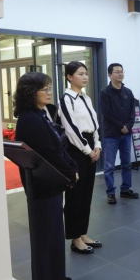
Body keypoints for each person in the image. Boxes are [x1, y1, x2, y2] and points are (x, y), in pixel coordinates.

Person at [13, 72, 77, 280]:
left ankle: (55, 277)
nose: (50, 92)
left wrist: (70, 166)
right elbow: (48, 152)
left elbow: (57, 145)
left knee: (54, 236)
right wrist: (70, 173)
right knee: (47, 238)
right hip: (42, 185)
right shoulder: (30, 119)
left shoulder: (40, 113)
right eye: (45, 89)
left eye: (50, 88)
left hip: (49, 183)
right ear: (31, 92)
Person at [60, 61, 102, 254]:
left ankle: (83, 233)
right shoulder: (66, 99)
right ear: (69, 77)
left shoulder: (86, 98)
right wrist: (88, 150)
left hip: (90, 145)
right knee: (75, 195)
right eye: (80, 74)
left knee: (86, 193)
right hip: (76, 149)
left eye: (86, 73)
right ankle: (75, 238)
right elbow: (71, 129)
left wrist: (97, 145)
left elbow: (95, 125)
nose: (85, 77)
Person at [99, 63, 139, 204]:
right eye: (117, 72)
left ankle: (125, 189)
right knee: (109, 166)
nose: (120, 74)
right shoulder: (105, 92)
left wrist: (128, 126)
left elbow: (132, 112)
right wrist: (121, 126)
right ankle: (110, 192)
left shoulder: (128, 92)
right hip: (111, 134)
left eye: (122, 71)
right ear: (110, 75)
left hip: (126, 134)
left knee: (127, 163)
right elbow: (107, 113)